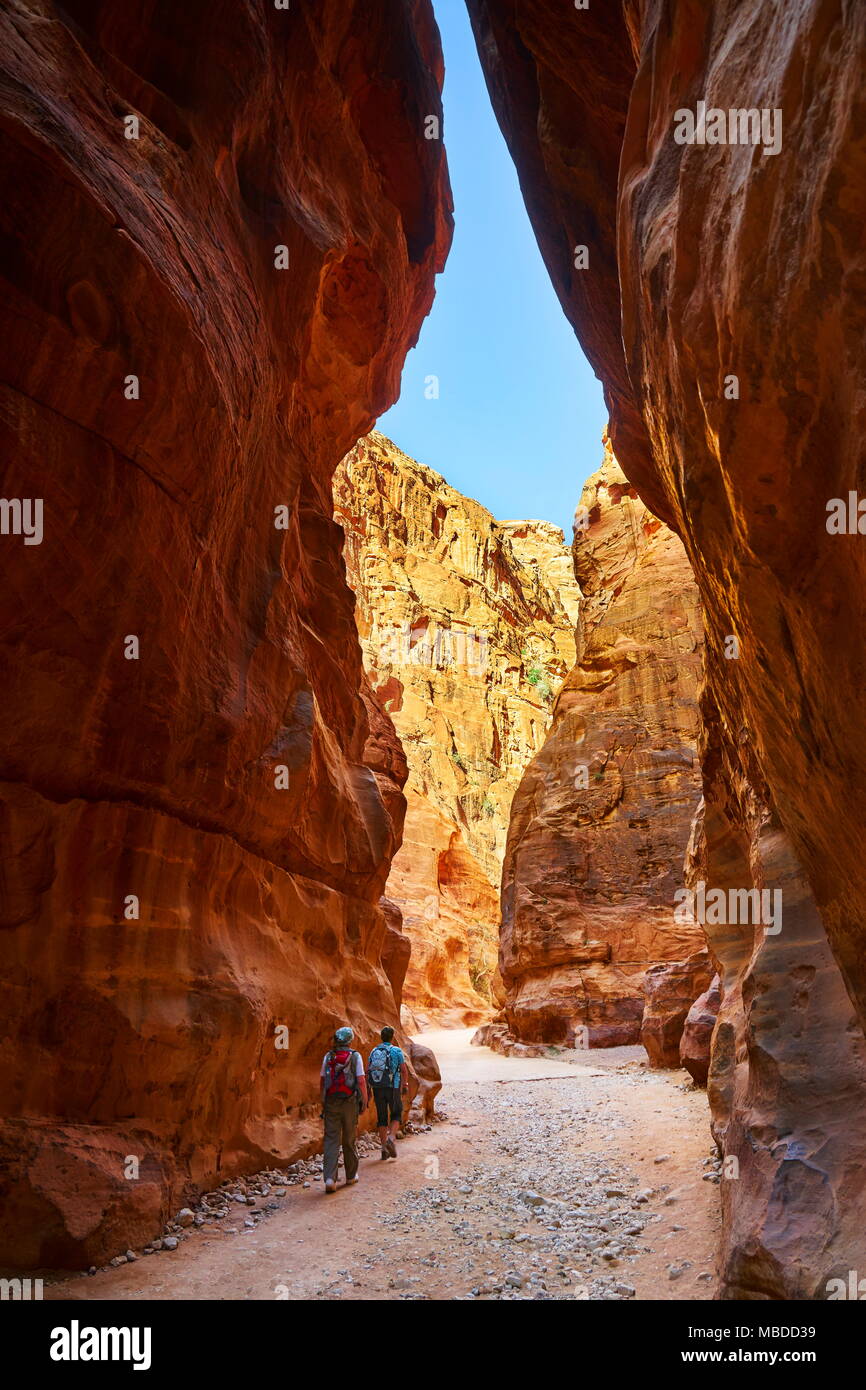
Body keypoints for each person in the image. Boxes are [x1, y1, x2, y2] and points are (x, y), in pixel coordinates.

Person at [320, 1026, 367, 1193]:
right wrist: (364, 1101)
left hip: (331, 1101)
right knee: (349, 1138)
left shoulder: (328, 1056)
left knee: (331, 1139)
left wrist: (323, 1102)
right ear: (350, 1040)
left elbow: (323, 1080)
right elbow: (361, 1080)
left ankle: (330, 1179)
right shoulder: (355, 1056)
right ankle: (351, 1176)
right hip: (350, 1102)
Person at [367, 1026, 409, 1160]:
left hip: (378, 1087)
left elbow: (368, 1069)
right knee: (396, 1113)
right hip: (393, 1087)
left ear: (381, 1037)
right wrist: (405, 1084)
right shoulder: (396, 1050)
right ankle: (391, 1138)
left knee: (382, 1117)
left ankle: (384, 1148)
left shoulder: (374, 1051)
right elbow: (403, 1070)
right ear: (392, 1037)